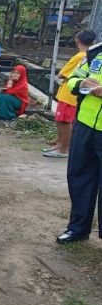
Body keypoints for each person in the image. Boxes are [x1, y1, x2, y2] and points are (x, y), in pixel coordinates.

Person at [56, 39, 102, 244]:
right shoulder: (96, 54)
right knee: (79, 176)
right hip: (84, 125)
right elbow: (73, 78)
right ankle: (78, 228)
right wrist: (81, 84)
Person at [43, 30, 97, 158]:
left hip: (69, 93)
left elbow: (62, 74)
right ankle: (61, 144)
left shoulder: (80, 56)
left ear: (77, 41)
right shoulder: (89, 56)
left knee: (65, 121)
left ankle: (63, 148)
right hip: (69, 93)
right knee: (61, 119)